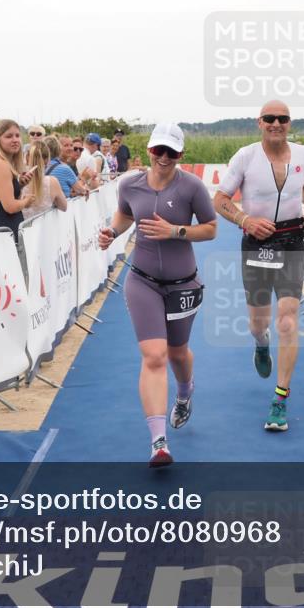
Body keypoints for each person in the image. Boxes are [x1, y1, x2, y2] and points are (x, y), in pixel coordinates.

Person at [98, 123, 217, 467]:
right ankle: (158, 442)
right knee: (154, 355)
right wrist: (111, 231)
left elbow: (211, 228)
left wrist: (176, 231)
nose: (164, 158)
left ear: (181, 155)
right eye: (158, 151)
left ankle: (184, 394)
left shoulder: (191, 186)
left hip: (183, 284)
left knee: (178, 353)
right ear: (149, 150)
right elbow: (123, 215)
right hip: (143, 281)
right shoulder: (129, 184)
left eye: (172, 153)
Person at [212, 100, 304, 432]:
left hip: (292, 242)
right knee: (257, 323)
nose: (277, 123)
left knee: (287, 321)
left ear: (290, 123)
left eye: (283, 119)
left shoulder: (303, 155)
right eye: (270, 118)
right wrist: (246, 220)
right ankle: (261, 346)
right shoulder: (245, 157)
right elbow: (219, 200)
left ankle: (280, 399)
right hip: (257, 244)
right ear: (259, 122)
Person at [0, 118, 35, 240]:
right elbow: (9, 207)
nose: (15, 140)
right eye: (9, 136)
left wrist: (19, 185)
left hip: (6, 229)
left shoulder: (1, 162)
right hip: (6, 232)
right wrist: (26, 201)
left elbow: (0, 198)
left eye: (17, 135)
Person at [22, 140, 69, 219]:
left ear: (27, 159)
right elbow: (64, 207)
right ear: (47, 161)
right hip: (44, 228)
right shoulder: (52, 182)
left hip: (21, 229)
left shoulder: (18, 180)